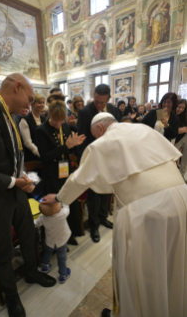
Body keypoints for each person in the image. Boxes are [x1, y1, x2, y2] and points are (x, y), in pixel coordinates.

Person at [43, 112, 187, 317]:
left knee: (140, 273)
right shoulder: (143, 129)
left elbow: (78, 180)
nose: (97, 140)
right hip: (182, 198)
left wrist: (58, 198)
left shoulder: (106, 141)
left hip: (147, 212)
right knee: (173, 264)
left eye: (96, 135)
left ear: (101, 129)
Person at [0, 73, 56, 317]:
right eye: (29, 99)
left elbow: (12, 154)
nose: (30, 106)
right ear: (16, 87)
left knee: (28, 232)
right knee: (3, 251)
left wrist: (23, 179)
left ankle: (31, 272)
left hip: (15, 190)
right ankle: (12, 297)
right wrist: (13, 181)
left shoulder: (10, 115)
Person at [36, 93, 86, 245]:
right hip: (51, 174)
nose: (59, 123)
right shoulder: (41, 130)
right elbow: (44, 156)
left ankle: (70, 232)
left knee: (69, 199)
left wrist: (74, 146)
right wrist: (66, 147)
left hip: (65, 170)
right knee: (56, 206)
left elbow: (67, 147)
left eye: (61, 120)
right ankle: (57, 238)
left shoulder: (65, 125)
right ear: (49, 114)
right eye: (55, 120)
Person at [77, 84, 118, 243]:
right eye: (96, 101)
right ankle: (94, 226)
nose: (99, 105)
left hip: (109, 158)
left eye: (102, 102)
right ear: (93, 96)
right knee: (94, 194)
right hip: (94, 158)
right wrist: (85, 160)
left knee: (107, 189)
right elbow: (82, 138)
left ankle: (102, 217)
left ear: (108, 99)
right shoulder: (84, 112)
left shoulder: (113, 110)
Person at [35, 202, 71, 283]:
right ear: (53, 212)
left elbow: (36, 223)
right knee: (61, 258)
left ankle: (45, 266)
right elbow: (67, 208)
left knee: (47, 253)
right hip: (61, 241)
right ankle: (63, 274)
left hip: (49, 241)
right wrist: (64, 202)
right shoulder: (62, 214)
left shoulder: (42, 217)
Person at [19, 93, 45, 162]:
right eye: (39, 103)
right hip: (32, 157)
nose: (42, 105)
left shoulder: (44, 119)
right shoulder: (25, 120)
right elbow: (27, 142)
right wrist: (39, 153)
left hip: (44, 155)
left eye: (43, 103)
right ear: (32, 103)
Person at [175, 99, 187, 180]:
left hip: (184, 138)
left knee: (185, 159)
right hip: (174, 139)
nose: (181, 109)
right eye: (179, 107)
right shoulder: (171, 115)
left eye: (183, 108)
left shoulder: (184, 116)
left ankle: (182, 176)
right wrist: (180, 130)